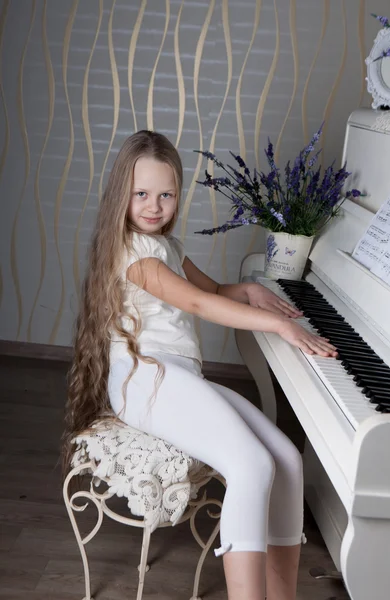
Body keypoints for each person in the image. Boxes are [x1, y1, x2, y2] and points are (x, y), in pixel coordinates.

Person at [62, 130, 337, 600]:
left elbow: (210, 292)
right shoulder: (131, 252)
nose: (154, 206)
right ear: (120, 196)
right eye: (141, 194)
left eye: (166, 194)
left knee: (287, 461)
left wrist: (248, 290)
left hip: (175, 375)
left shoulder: (168, 248)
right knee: (250, 464)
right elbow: (198, 305)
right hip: (143, 377)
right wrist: (279, 327)